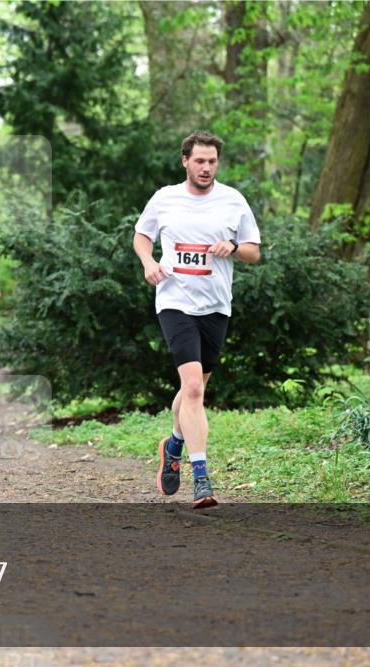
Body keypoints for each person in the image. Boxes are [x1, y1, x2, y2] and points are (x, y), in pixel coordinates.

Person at [132, 130, 261, 509]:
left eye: (212, 161)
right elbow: (141, 235)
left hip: (217, 306)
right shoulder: (165, 198)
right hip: (174, 301)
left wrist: (234, 247)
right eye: (200, 161)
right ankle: (201, 478)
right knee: (191, 389)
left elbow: (254, 251)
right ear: (185, 161)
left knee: (195, 389)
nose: (206, 168)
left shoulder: (233, 201)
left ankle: (172, 445)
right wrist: (149, 262)